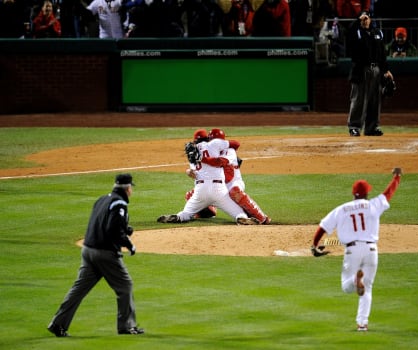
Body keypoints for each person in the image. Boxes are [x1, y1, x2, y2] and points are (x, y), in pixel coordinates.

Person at [48, 173, 144, 337]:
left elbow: (100, 222)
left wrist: (125, 229)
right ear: (127, 189)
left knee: (78, 289)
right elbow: (112, 230)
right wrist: (129, 244)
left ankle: (58, 324)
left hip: (88, 250)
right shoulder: (119, 204)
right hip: (105, 253)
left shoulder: (102, 199)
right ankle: (126, 326)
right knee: (125, 286)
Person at [311, 167, 403, 331]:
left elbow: (323, 227)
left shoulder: (342, 209)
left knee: (347, 287)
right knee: (367, 288)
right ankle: (362, 324)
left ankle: (355, 280)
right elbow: (389, 193)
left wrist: (314, 245)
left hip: (352, 251)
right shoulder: (373, 204)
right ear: (367, 193)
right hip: (371, 251)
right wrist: (397, 177)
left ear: (353, 194)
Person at [157, 129, 260, 225]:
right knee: (238, 213)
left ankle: (179, 217)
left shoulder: (191, 157)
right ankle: (241, 218)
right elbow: (236, 144)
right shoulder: (214, 144)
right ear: (207, 138)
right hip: (218, 189)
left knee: (186, 213)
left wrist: (189, 170)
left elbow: (193, 173)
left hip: (200, 189)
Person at [207, 128, 271, 224]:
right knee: (196, 192)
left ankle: (262, 217)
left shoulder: (229, 151)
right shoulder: (208, 151)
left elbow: (220, 162)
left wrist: (204, 160)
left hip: (233, 183)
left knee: (235, 191)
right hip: (219, 186)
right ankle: (206, 212)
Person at [346, 10, 393, 137]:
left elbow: (382, 53)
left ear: (370, 19)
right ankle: (354, 126)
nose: (365, 20)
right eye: (363, 19)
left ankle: (371, 127)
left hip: (376, 69)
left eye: (367, 18)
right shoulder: (356, 32)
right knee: (358, 99)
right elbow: (349, 33)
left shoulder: (377, 33)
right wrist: (357, 21)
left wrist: (386, 70)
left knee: (374, 100)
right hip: (361, 69)